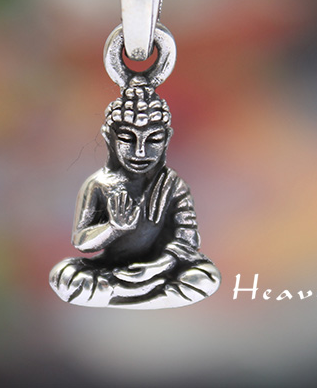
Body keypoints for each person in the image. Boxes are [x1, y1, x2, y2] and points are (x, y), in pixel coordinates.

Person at [49, 76, 220, 308]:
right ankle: (147, 297)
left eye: (153, 139)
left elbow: (186, 240)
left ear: (167, 138)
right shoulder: (98, 184)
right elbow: (82, 242)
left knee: (206, 276)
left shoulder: (171, 184)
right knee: (64, 276)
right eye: (127, 139)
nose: (140, 151)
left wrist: (155, 268)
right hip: (109, 270)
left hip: (159, 269)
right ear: (109, 137)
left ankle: (120, 295)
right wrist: (113, 228)